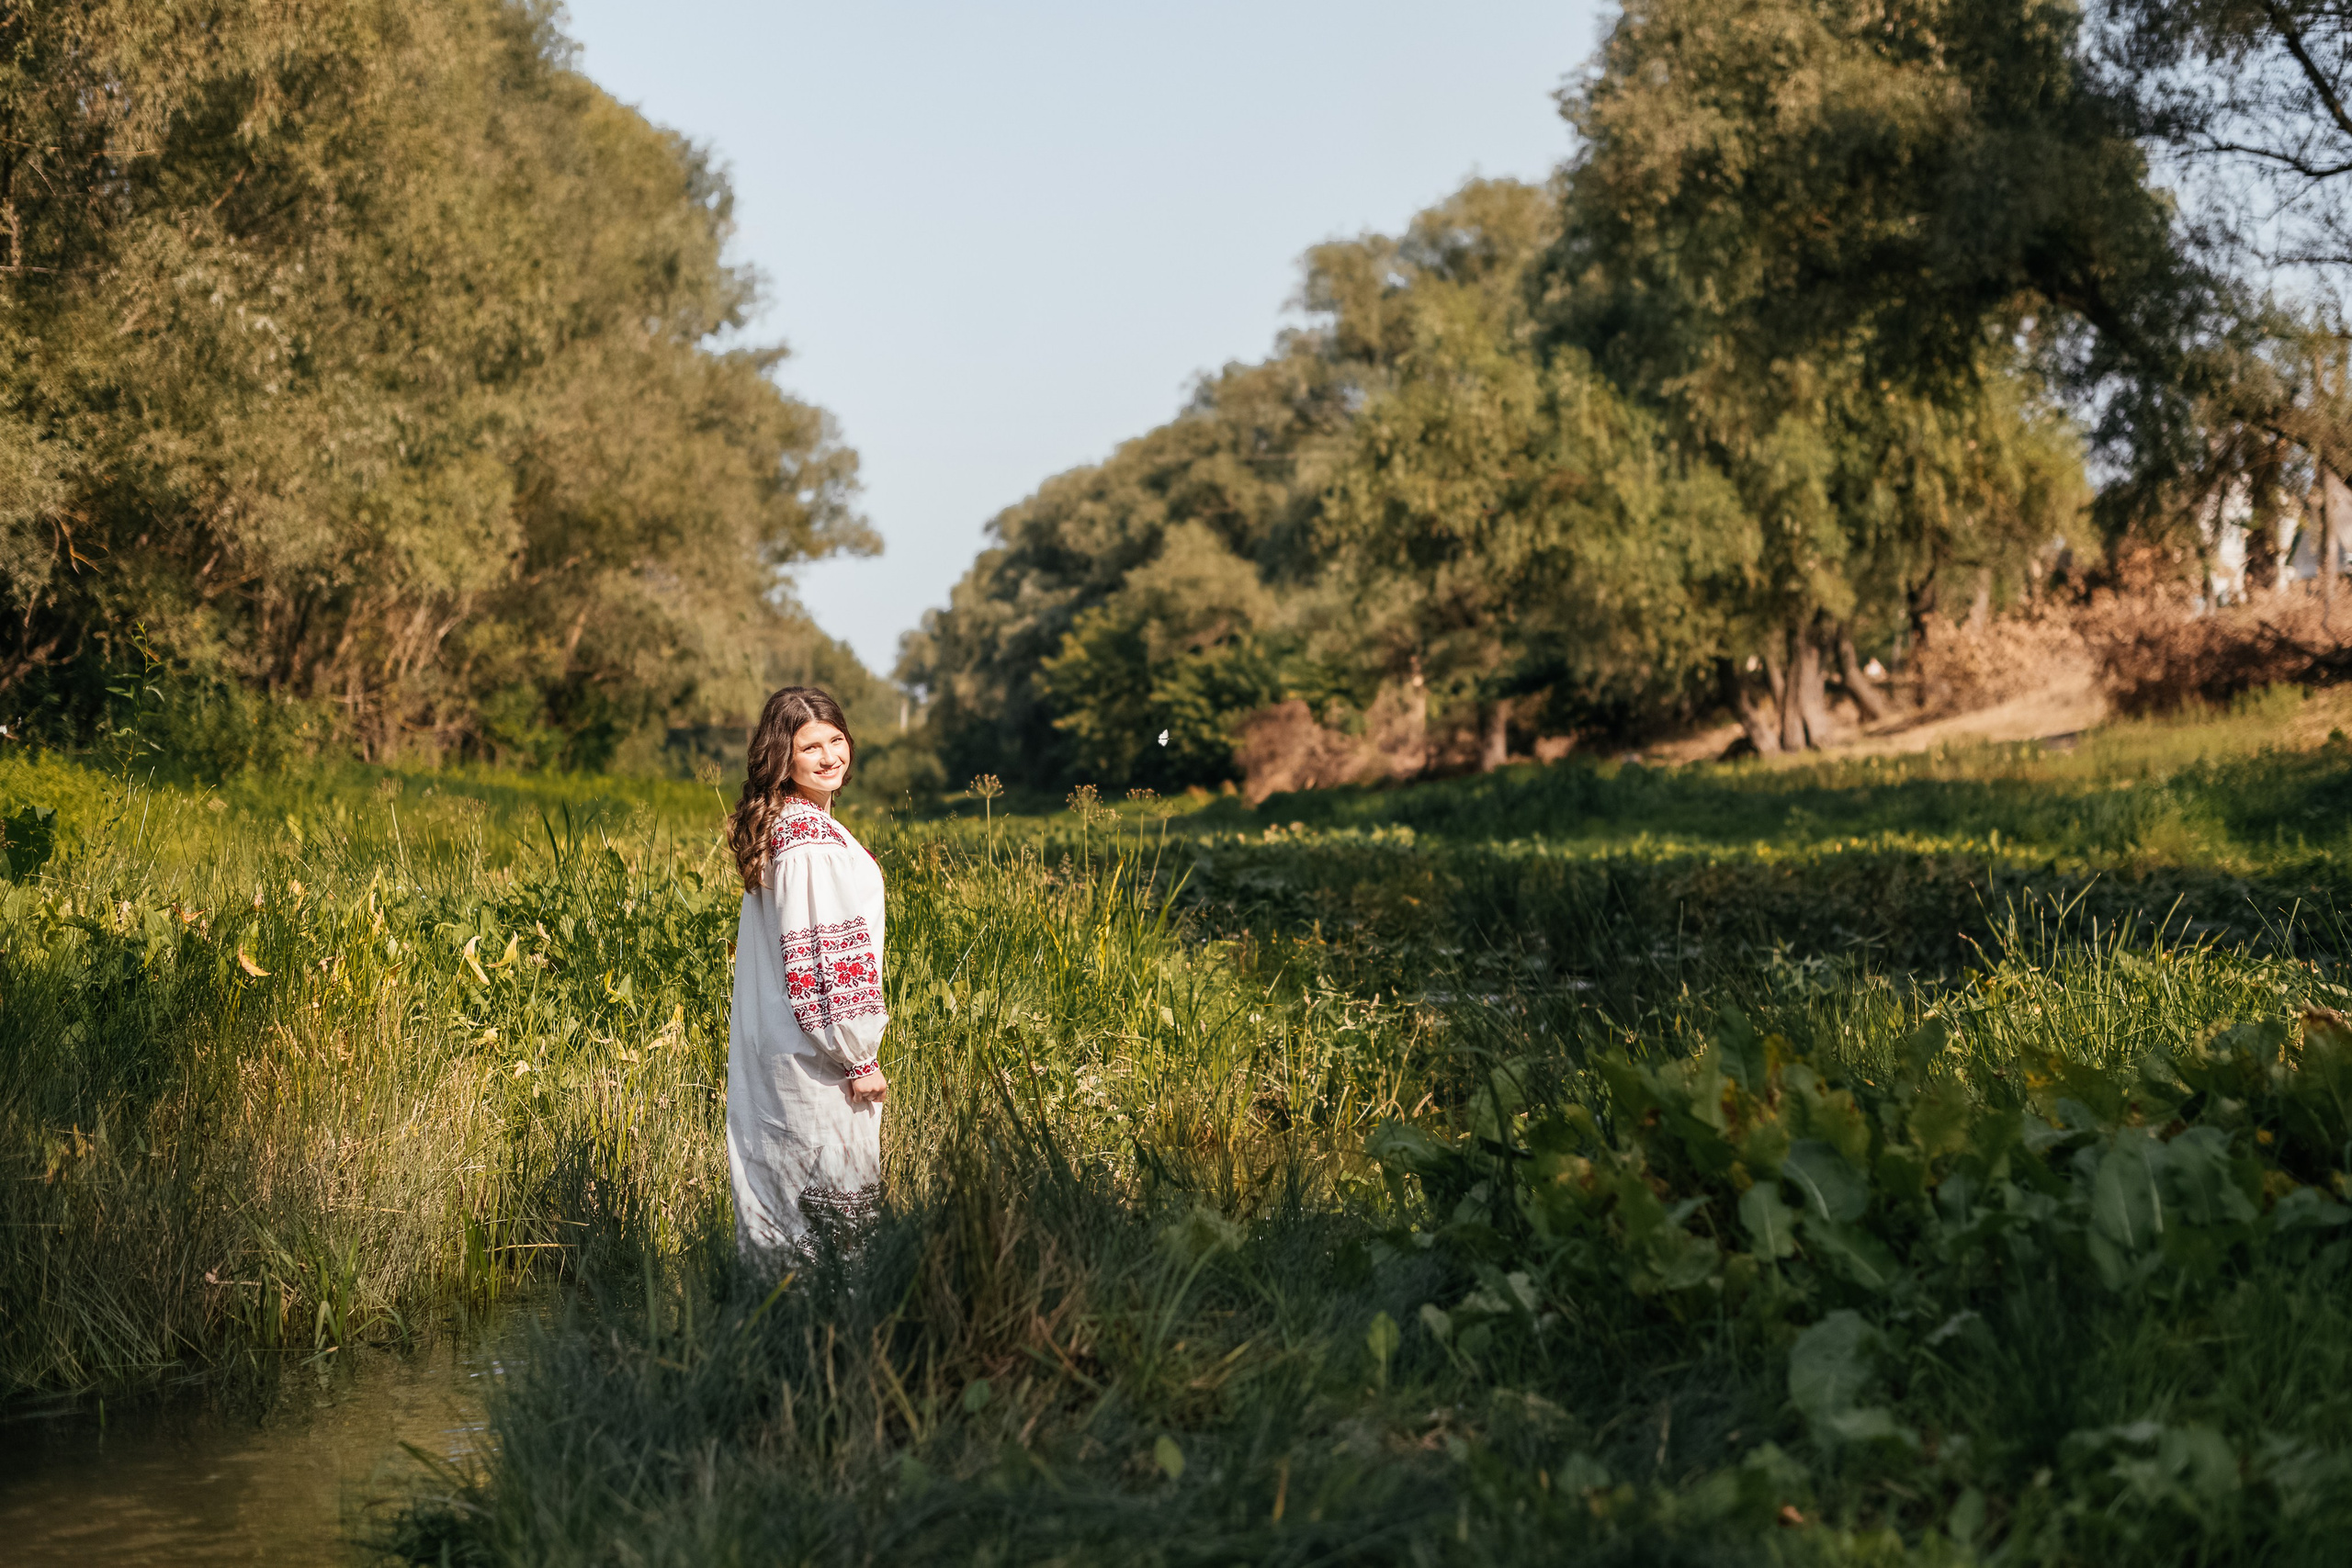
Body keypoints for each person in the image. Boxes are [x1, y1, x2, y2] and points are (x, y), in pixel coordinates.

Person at [722, 686, 888, 1258]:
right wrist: (858, 1056)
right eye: (809, 747)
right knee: (831, 1218)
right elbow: (820, 955)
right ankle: (829, 1337)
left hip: (783, 1044)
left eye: (836, 740)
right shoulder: (809, 838)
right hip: (820, 1059)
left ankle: (781, 1334)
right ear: (782, 758)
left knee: (785, 1206)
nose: (829, 757)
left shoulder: (790, 826)